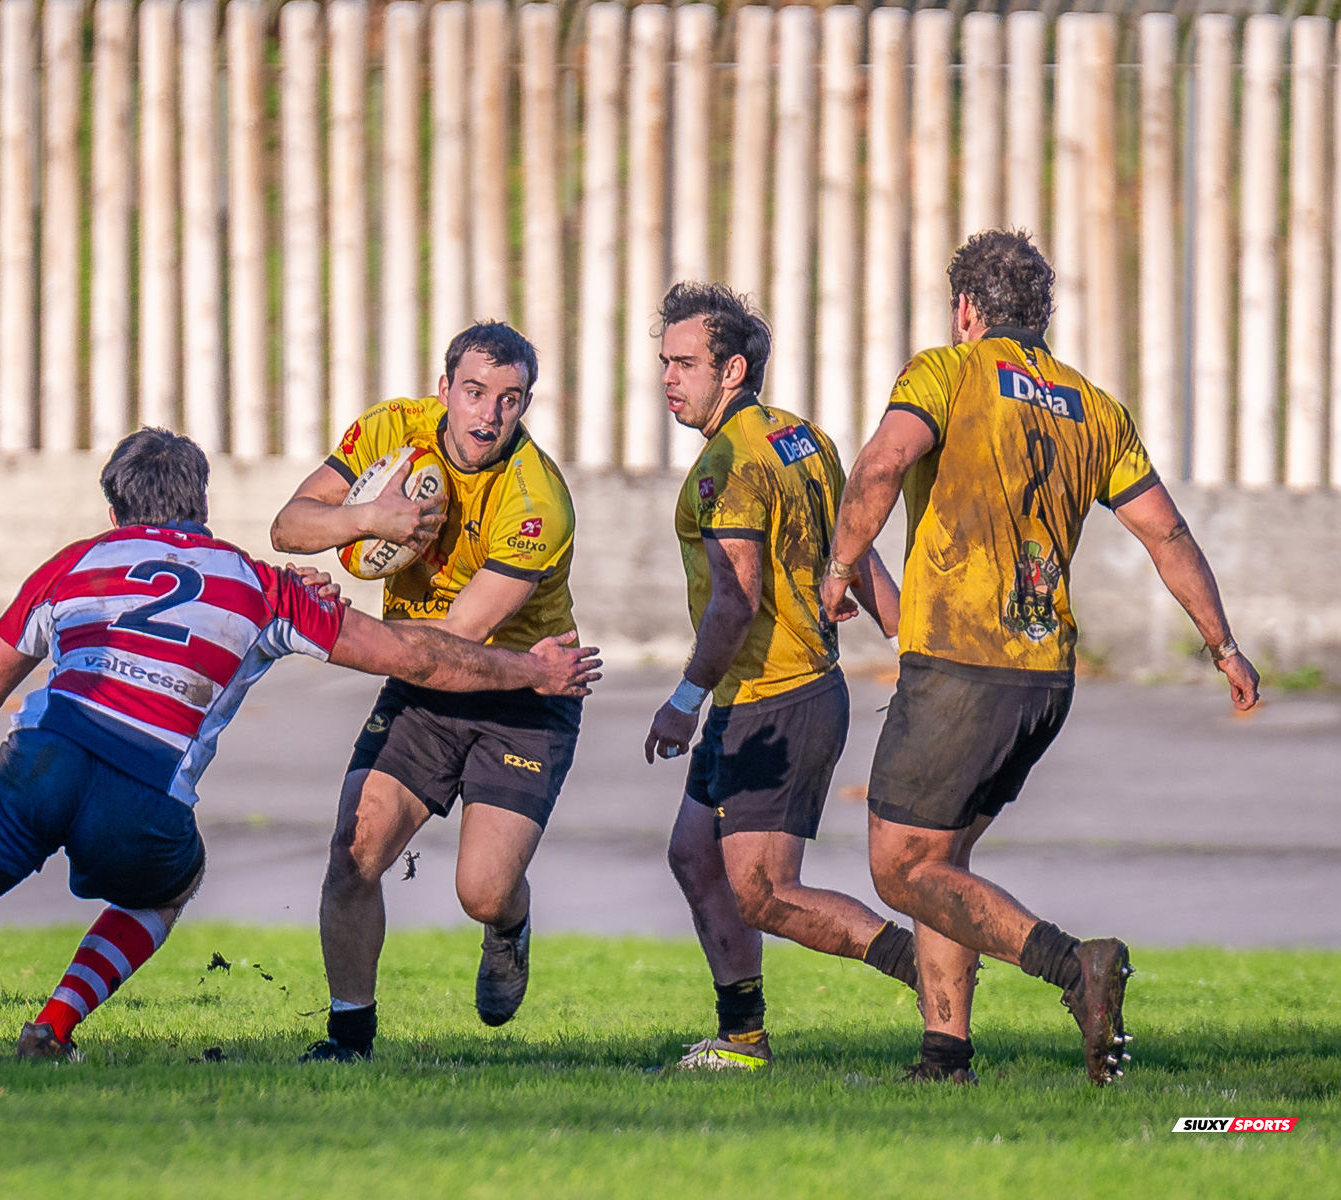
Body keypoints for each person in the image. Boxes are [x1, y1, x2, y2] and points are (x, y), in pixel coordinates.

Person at [0, 427, 600, 1058]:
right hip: (141, 798)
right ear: (202, 507)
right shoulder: (259, 585)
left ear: (116, 507)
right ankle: (54, 1025)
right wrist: (531, 670)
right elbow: (414, 653)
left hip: (38, 763)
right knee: (171, 883)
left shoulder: (74, 563)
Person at [819, 230, 1260, 1085]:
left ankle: (1074, 967)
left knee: (900, 869)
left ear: (967, 311)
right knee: (941, 863)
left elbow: (880, 464)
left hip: (958, 664)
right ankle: (945, 1055)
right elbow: (1166, 532)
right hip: (1042, 679)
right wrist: (1224, 644)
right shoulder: (1095, 408)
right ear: (1043, 316)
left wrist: (841, 567)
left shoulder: (947, 371)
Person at [270, 322, 579, 1061]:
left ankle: (509, 925)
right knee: (355, 850)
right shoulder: (392, 431)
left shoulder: (538, 501)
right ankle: (350, 1039)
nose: (488, 416)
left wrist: (330, 625)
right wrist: (370, 517)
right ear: (444, 390)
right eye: (474, 393)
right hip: (421, 684)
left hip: (523, 691)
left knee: (483, 889)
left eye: (510, 400)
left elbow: (458, 644)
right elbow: (289, 527)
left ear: (526, 404)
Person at [643, 282, 918, 1071]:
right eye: (665, 363)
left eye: (686, 364)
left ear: (733, 371)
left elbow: (736, 600)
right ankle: (743, 1037)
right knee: (695, 856)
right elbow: (852, 544)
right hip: (759, 697)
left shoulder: (726, 465)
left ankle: (930, 962)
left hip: (778, 699)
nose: (670, 379)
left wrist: (682, 701)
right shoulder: (802, 437)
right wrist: (903, 632)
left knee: (764, 891)